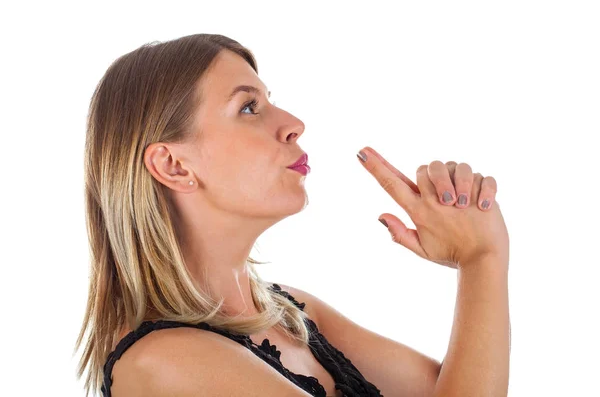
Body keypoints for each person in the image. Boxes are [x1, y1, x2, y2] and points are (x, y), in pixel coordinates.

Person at [74, 33, 510, 397]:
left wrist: (480, 256)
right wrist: (482, 261)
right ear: (174, 166)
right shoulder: (165, 363)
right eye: (248, 107)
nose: (293, 123)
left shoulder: (295, 313)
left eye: (268, 100)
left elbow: (458, 387)